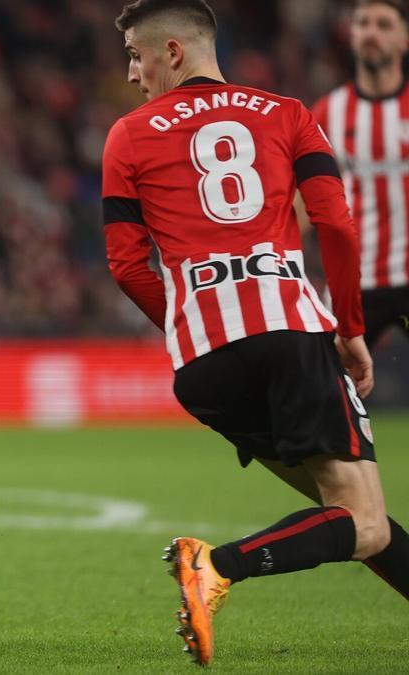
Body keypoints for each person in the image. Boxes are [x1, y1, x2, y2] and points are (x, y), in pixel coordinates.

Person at [103, 0, 409, 666]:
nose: (132, 73)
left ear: (173, 53)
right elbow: (336, 225)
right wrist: (351, 328)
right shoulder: (288, 113)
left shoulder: (127, 134)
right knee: (361, 520)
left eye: (136, 55)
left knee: (354, 516)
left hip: (203, 367)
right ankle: (217, 564)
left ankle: (218, 566)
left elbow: (127, 264)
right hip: (287, 331)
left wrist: (187, 323)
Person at [312, 0, 409, 354]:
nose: (371, 32)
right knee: (332, 388)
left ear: (404, 39)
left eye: (383, 25)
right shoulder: (327, 112)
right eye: (363, 23)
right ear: (351, 36)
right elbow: (300, 206)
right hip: (355, 282)